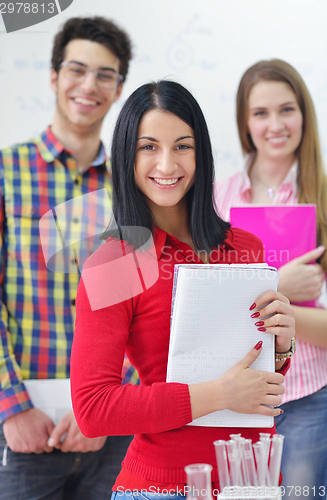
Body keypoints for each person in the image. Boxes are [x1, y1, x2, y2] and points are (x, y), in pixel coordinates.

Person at [70, 80, 295, 499]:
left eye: (183, 146)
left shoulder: (246, 248)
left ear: (201, 153)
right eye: (149, 147)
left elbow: (261, 383)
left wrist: (281, 346)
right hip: (163, 486)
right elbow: (94, 409)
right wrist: (219, 394)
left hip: (253, 480)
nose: (168, 164)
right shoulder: (115, 264)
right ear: (126, 155)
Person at [0, 16, 136, 500]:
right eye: (77, 69)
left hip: (112, 434)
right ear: (54, 76)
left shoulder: (131, 189)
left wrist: (107, 408)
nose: (89, 85)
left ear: (119, 89)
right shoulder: (2, 173)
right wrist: (12, 406)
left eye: (105, 74)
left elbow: (147, 309)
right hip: (19, 429)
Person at [215, 59, 327, 498]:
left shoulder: (322, 199)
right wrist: (280, 288)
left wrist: (277, 306)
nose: (275, 124)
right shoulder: (215, 198)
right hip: (232, 400)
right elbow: (202, 307)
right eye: (261, 113)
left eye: (287, 109)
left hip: (306, 400)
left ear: (304, 114)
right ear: (245, 122)